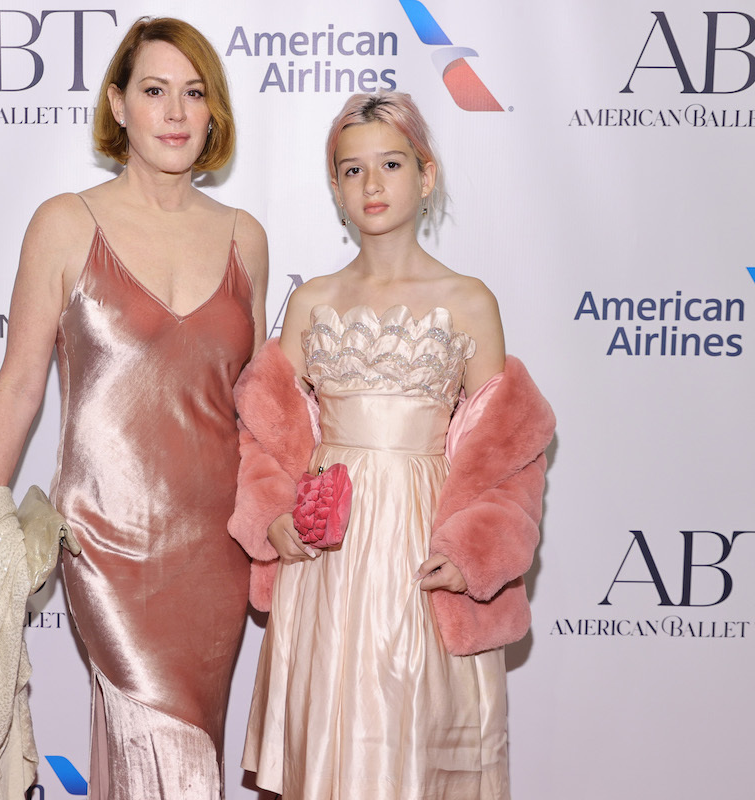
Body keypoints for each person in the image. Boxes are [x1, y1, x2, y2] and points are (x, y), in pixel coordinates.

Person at [0, 17, 269, 799]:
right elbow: (21, 382)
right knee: (157, 748)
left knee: (190, 751)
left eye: (194, 93)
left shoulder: (247, 239)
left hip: (217, 546)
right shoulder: (66, 222)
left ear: (213, 114)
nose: (175, 112)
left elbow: (256, 406)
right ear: (119, 103)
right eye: (155, 90)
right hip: (106, 537)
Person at [231, 92, 554, 799]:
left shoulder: (471, 301)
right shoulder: (311, 301)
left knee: (409, 739)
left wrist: (473, 554)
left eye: (391, 164)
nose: (372, 185)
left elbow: (505, 455)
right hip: (326, 556)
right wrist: (273, 517)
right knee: (330, 740)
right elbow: (269, 434)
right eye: (352, 170)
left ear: (426, 175)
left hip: (420, 552)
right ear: (335, 188)